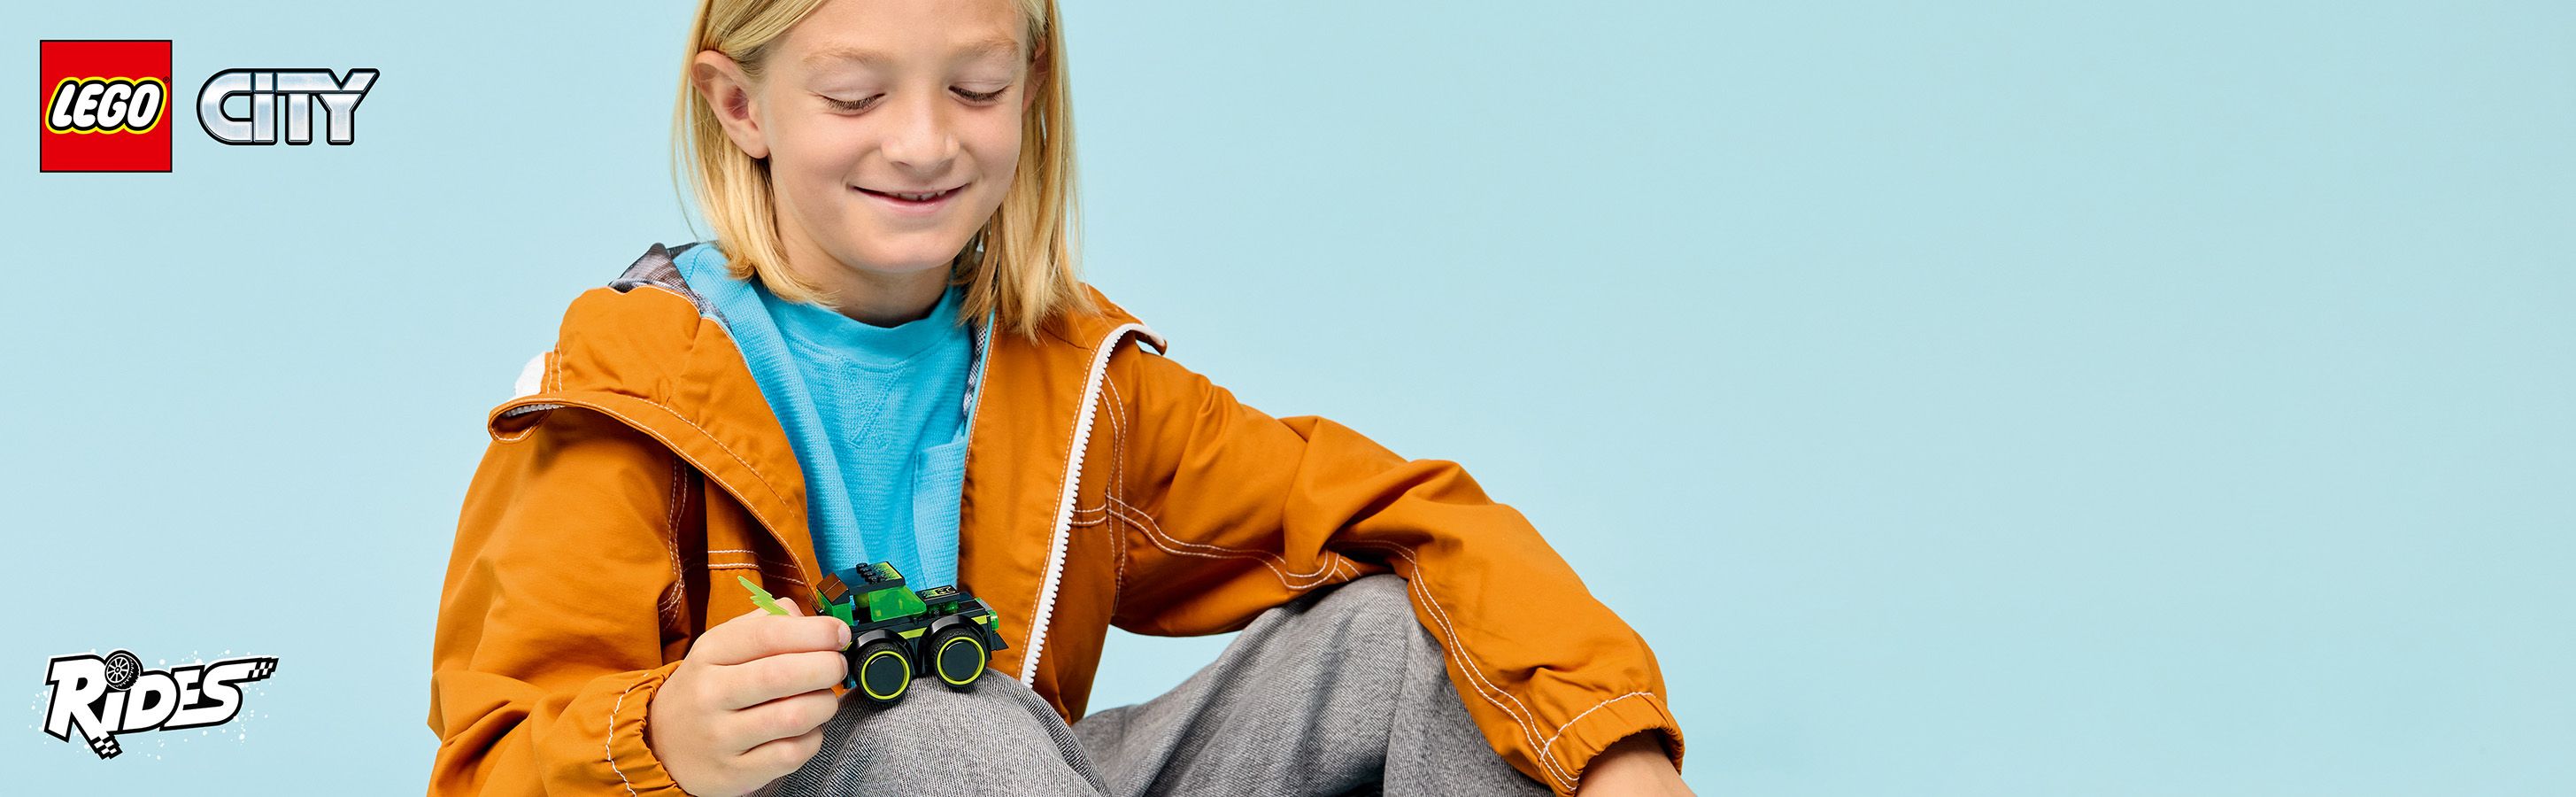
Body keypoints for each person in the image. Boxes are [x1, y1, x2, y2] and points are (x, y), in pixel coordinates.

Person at [425, 1, 1688, 794]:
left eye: (975, 88)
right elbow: (489, 760)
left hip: (1021, 776)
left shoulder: (1069, 374)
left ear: (1030, 92)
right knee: (930, 714)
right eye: (856, 96)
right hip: (818, 779)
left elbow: (1409, 515)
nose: (924, 142)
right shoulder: (627, 395)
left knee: (1399, 635)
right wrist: (662, 738)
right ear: (740, 105)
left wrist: (1614, 748)